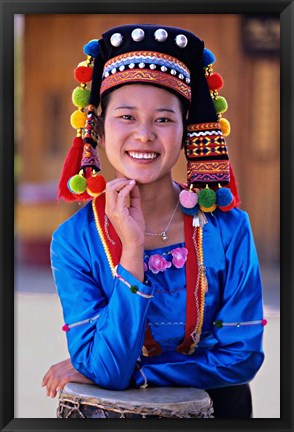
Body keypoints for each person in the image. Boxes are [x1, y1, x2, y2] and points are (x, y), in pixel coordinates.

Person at [41, 24, 266, 418]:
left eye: (163, 120)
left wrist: (138, 373)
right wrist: (131, 249)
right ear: (98, 127)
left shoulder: (229, 230)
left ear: (186, 132)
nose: (143, 135)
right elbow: (107, 369)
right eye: (126, 116)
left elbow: (241, 357)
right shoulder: (74, 241)